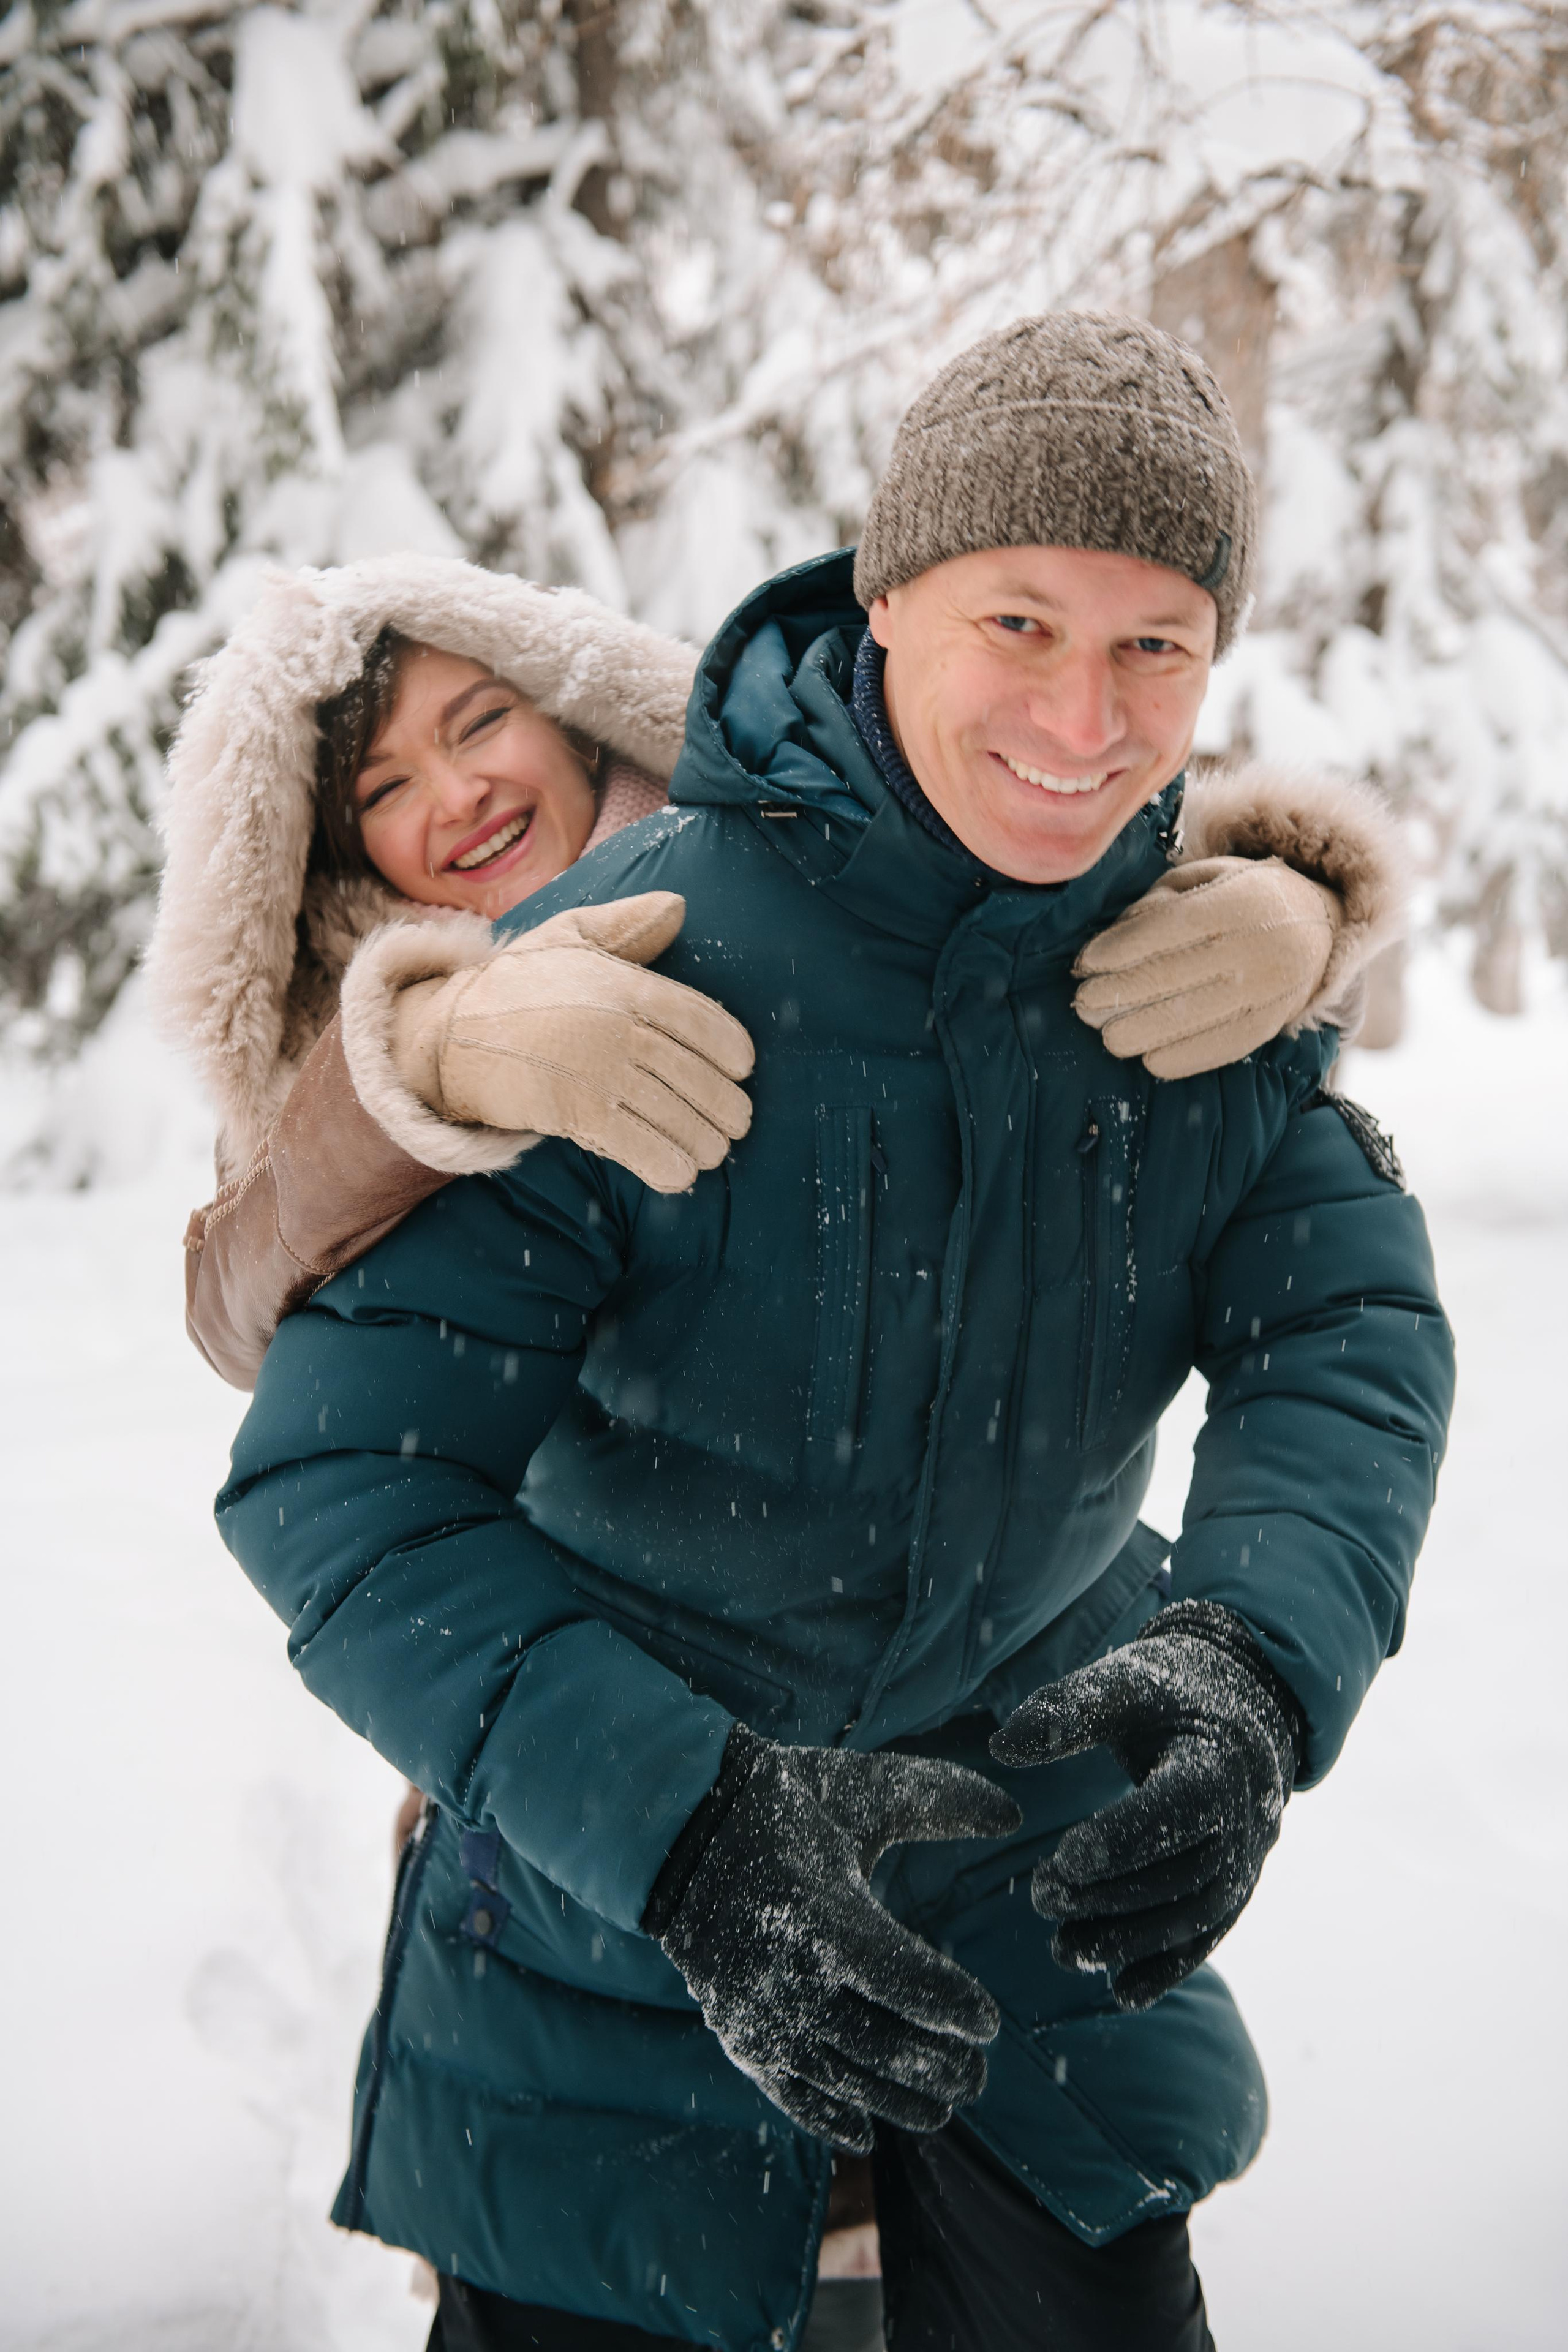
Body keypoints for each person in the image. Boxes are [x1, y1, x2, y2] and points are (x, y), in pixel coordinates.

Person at [200, 315, 1455, 2352]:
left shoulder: (1200, 972)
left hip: (1039, 1919)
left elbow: (1347, 1334)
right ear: (886, 599)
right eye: (1019, 622)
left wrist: (1253, 1660)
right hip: (605, 1927)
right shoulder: (618, 972)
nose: (1085, 714)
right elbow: (339, 1473)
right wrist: (684, 1827)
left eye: (1155, 644)